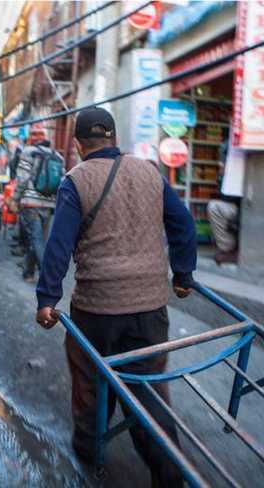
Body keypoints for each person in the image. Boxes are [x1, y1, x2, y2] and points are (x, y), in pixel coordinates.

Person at [35, 107, 197, 487]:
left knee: (91, 379)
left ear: (77, 146)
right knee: (147, 389)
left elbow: (58, 246)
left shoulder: (76, 181)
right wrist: (184, 275)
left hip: (97, 309)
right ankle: (169, 473)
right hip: (150, 307)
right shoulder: (149, 172)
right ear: (113, 138)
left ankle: (89, 446)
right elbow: (183, 224)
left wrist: (47, 298)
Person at [10, 127, 64, 282]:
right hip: (49, 204)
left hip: (31, 203)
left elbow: (22, 178)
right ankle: (28, 273)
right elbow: (62, 181)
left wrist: (15, 198)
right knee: (38, 239)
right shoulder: (58, 156)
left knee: (36, 239)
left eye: (35, 134)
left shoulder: (28, 152)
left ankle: (48, 276)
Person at [208, 142, 242, 264]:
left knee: (215, 207)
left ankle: (229, 249)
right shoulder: (228, 172)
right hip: (237, 207)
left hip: (245, 209)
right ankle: (227, 248)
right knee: (215, 206)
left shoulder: (238, 168)